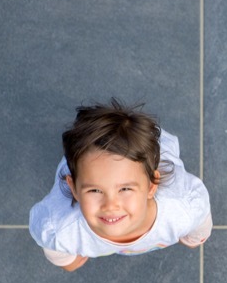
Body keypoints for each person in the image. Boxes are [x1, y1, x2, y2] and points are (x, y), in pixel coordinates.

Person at [29, 100, 211, 271]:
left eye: (125, 189)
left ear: (151, 186)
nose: (110, 205)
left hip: (158, 149)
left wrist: (193, 237)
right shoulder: (58, 228)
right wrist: (67, 260)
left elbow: (200, 218)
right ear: (73, 188)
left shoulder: (184, 207)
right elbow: (50, 241)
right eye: (95, 190)